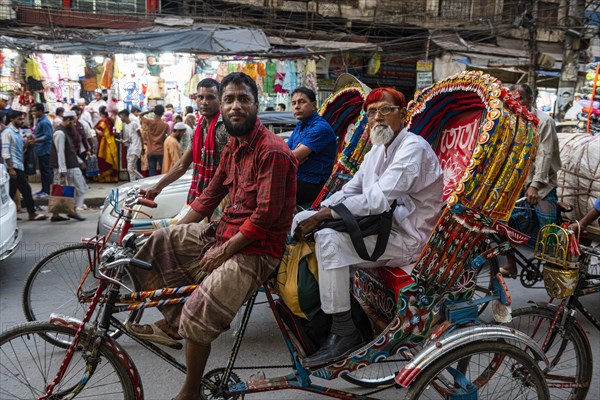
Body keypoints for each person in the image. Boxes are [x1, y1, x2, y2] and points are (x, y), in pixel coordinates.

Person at [128, 72, 297, 400]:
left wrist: (223, 252)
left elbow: (264, 218)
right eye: (229, 100)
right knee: (159, 242)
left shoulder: (272, 151)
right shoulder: (234, 144)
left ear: (255, 105)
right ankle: (174, 323)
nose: (235, 106)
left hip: (257, 250)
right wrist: (176, 227)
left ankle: (191, 390)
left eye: (243, 99)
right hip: (225, 233)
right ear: (221, 106)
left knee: (197, 312)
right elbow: (209, 194)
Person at [293, 87, 443, 367]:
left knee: (329, 239)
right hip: (381, 229)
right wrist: (315, 212)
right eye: (371, 112)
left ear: (404, 115)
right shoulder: (378, 149)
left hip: (407, 238)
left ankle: (344, 330)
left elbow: (377, 200)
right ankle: (331, 315)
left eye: (386, 110)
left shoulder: (414, 148)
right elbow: (352, 189)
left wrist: (325, 215)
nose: (377, 118)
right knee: (304, 223)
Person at [500, 83, 562, 277]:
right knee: (501, 222)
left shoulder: (544, 122)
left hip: (542, 184)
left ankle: (554, 269)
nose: (517, 102)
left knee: (548, 229)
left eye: (521, 98)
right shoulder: (514, 120)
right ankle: (511, 263)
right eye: (513, 98)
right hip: (519, 179)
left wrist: (535, 185)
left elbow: (544, 155)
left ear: (530, 99)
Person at [145, 78, 229, 204]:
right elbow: (182, 165)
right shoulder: (198, 130)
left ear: (220, 100)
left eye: (210, 97)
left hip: (222, 198)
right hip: (203, 195)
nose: (204, 102)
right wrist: (158, 187)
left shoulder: (226, 128)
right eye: (200, 97)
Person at [287, 87, 337, 205]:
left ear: (314, 105)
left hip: (312, 184)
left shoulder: (320, 128)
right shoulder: (300, 126)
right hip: (297, 179)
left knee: (270, 187)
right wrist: (293, 155)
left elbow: (293, 156)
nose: (297, 106)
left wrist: (295, 156)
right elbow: (287, 152)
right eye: (293, 103)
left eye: (302, 102)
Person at [1, 110, 47, 221]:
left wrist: (27, 142)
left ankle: (8, 215)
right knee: (25, 189)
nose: (22, 121)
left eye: (22, 119)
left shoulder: (18, 132)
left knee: (11, 192)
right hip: (13, 166)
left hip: (18, 165)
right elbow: (5, 152)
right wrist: (11, 168)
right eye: (19, 119)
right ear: (12, 120)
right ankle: (32, 213)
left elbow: (21, 146)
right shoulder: (7, 133)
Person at [49, 111, 88, 222]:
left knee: (63, 190)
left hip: (70, 165)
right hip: (67, 167)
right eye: (73, 122)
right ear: (68, 120)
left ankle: (56, 215)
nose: (75, 124)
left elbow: (69, 150)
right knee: (79, 188)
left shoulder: (65, 131)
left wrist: (79, 161)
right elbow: (60, 152)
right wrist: (62, 169)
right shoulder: (60, 133)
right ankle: (72, 210)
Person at [31, 103, 54, 197]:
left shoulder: (45, 122)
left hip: (45, 150)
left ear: (40, 111)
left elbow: (48, 136)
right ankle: (43, 189)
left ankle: (47, 190)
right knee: (43, 171)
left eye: (34, 111)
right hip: (40, 150)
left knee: (46, 171)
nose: (33, 113)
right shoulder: (40, 121)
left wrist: (35, 140)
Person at [140, 105, 169, 176]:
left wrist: (149, 111)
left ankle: (152, 186)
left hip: (150, 150)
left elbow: (140, 115)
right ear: (162, 113)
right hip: (161, 151)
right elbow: (169, 136)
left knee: (152, 171)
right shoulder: (165, 125)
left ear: (154, 112)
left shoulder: (149, 122)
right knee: (163, 171)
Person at [94, 105, 119, 183]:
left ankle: (105, 178)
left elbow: (100, 133)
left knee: (103, 160)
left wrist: (95, 129)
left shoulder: (103, 121)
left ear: (100, 113)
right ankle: (112, 178)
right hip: (111, 142)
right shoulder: (110, 120)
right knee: (111, 159)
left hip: (104, 144)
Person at [118, 109, 143, 181]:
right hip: (130, 148)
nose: (120, 119)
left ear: (124, 116)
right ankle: (133, 183)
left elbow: (140, 136)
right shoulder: (126, 126)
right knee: (131, 169)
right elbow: (130, 139)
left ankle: (142, 179)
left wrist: (142, 148)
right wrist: (124, 141)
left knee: (130, 168)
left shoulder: (134, 124)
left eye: (121, 117)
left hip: (135, 148)